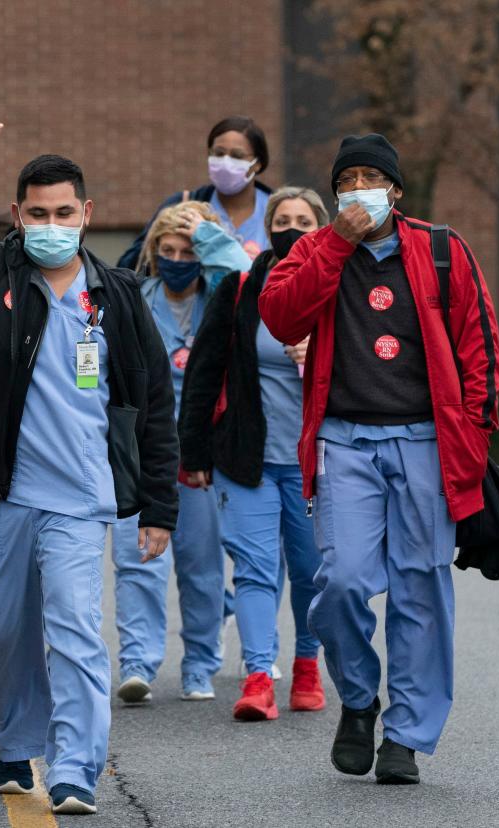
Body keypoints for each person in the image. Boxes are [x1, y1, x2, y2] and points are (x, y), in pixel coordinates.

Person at [0, 107, 179, 816]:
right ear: (18, 216)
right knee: (0, 632)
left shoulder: (115, 295)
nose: (52, 224)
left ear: (85, 214)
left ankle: (77, 766)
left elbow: (152, 400)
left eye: (64, 212)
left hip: (81, 499)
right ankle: (15, 738)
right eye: (38, 213)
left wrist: (159, 502)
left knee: (77, 627)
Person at [259, 135, 499, 784]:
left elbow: (479, 349)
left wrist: (474, 441)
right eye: (348, 178)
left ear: (395, 189)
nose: (359, 188)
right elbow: (282, 318)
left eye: (372, 178)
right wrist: (336, 241)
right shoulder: (314, 248)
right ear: (336, 191)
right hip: (344, 440)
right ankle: (360, 699)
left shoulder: (443, 249)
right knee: (338, 582)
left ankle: (408, 735)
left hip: (428, 441)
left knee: (421, 589)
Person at [179, 187, 331, 721]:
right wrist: (193, 450)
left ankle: (308, 667)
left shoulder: (341, 288)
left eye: (304, 220)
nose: (293, 228)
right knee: (254, 568)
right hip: (246, 459)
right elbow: (203, 372)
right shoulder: (243, 287)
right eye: (283, 220)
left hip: (318, 463)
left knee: (314, 573)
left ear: (323, 229)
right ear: (267, 229)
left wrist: (318, 359)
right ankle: (259, 676)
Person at [108, 202, 251, 706]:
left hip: (199, 454)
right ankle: (137, 663)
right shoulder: (134, 297)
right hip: (140, 449)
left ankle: (200, 665)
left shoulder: (223, 298)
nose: (176, 258)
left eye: (187, 250)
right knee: (137, 561)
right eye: (166, 250)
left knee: (201, 564)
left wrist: (210, 241)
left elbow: (247, 274)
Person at [119, 116, 273, 269]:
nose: (226, 162)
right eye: (219, 153)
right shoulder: (183, 204)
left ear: (258, 163)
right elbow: (131, 264)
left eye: (237, 156)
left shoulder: (278, 212)